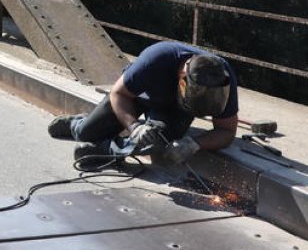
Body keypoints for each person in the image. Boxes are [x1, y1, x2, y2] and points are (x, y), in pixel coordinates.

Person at [47, 41, 239, 165]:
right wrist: (134, 126)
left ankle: (105, 150)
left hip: (173, 108)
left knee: (156, 145)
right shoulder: (155, 60)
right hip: (137, 97)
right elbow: (118, 93)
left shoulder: (222, 77)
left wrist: (195, 144)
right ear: (183, 79)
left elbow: (227, 132)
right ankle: (77, 124)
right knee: (85, 133)